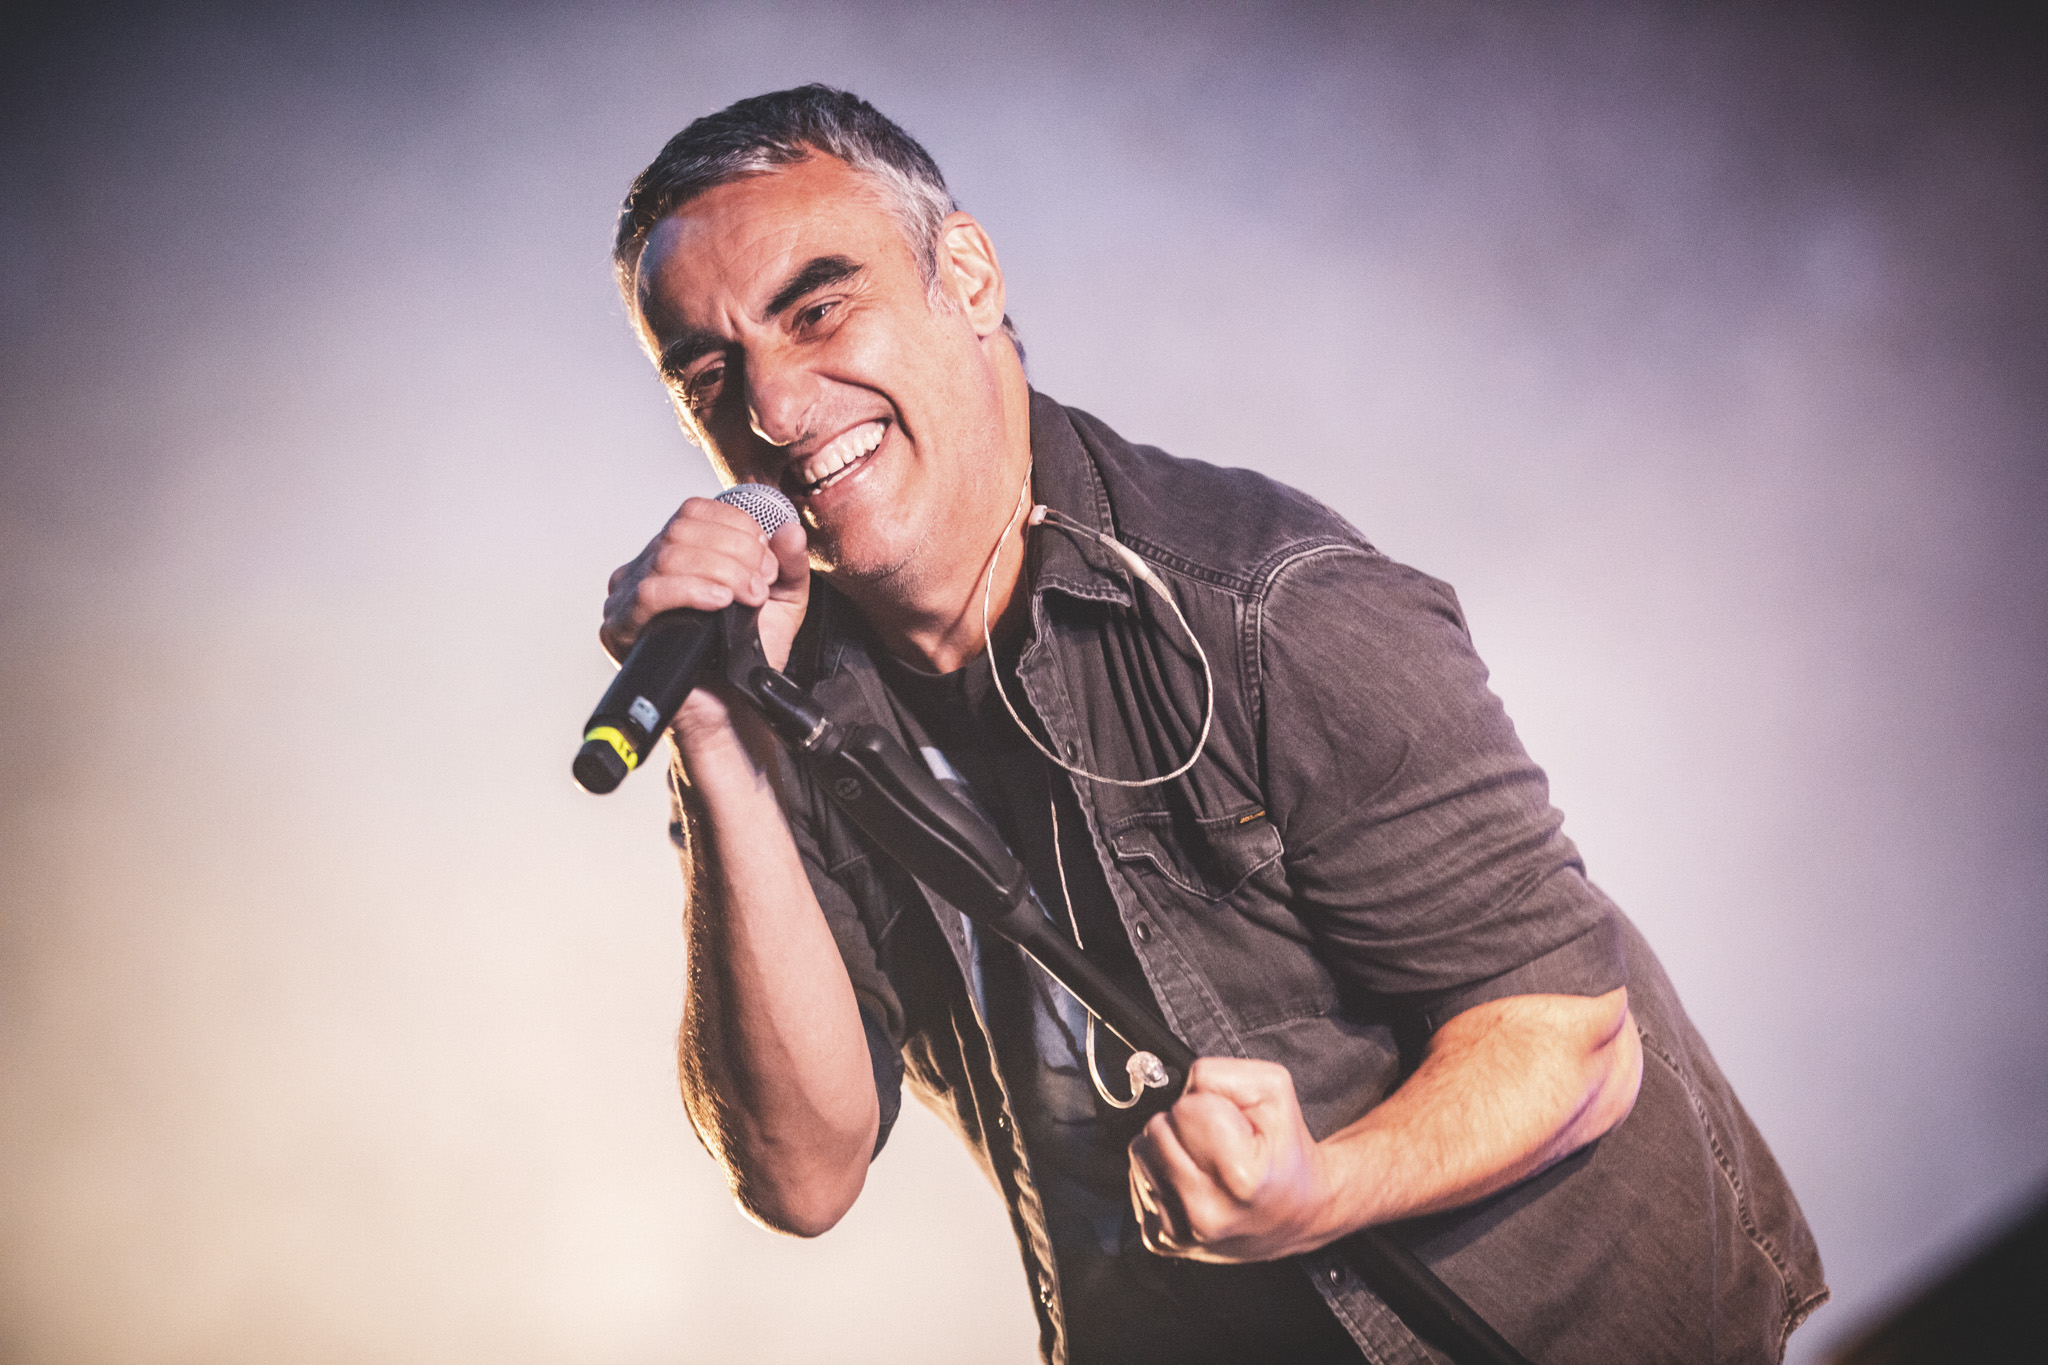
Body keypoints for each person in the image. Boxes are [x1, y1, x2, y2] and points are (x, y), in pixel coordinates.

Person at [597, 85, 1826, 1364]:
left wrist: (1319, 1192)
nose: (775, 409)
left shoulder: (1263, 604)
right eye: (709, 372)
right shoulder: (775, 704)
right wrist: (719, 744)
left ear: (964, 276)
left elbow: (1570, 1037)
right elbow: (801, 1174)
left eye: (816, 310)